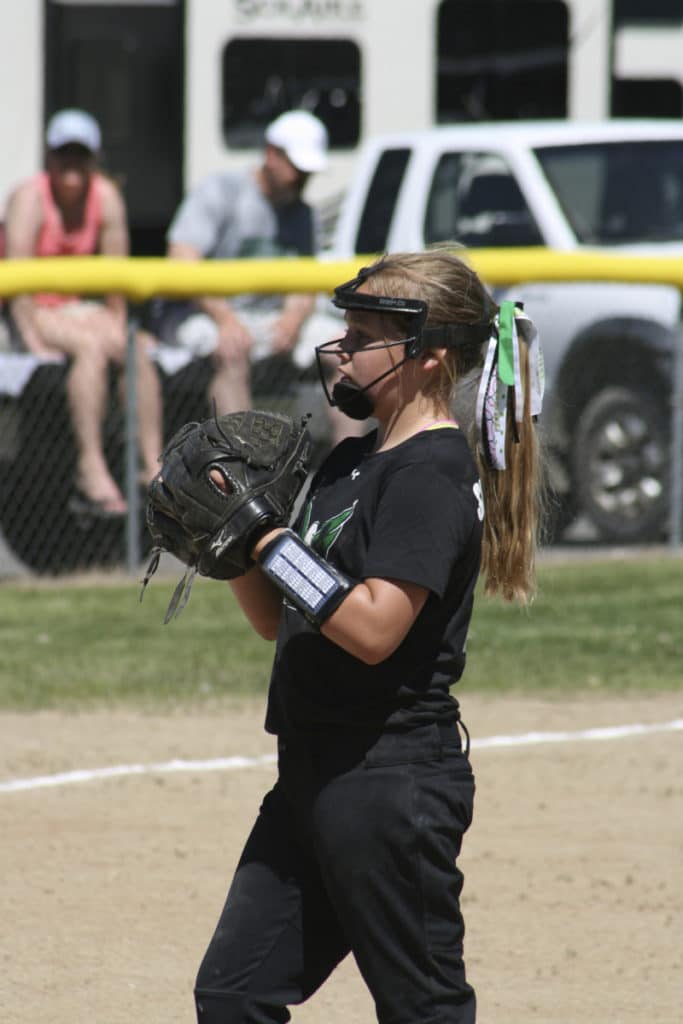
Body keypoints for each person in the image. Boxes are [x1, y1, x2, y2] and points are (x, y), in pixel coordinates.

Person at [193, 248, 545, 1023]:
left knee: (422, 1009)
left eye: (363, 336)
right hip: (309, 772)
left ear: (429, 357)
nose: (341, 350)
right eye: (345, 332)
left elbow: (377, 627)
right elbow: (277, 618)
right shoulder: (351, 461)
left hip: (388, 783)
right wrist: (229, 541)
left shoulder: (429, 474)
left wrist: (267, 542)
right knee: (234, 994)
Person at [160, 109, 359, 443]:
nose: (302, 177)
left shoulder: (303, 213)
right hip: (209, 315)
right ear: (271, 154)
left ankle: (351, 460)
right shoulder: (221, 190)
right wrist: (226, 319)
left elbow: (305, 280)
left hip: (271, 319)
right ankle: (244, 462)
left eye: (308, 171)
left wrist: (293, 318)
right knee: (232, 347)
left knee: (346, 348)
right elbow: (181, 260)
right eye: (297, 167)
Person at [4, 107, 163, 515]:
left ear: (94, 158)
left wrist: (119, 326)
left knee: (132, 349)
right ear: (49, 156)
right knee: (89, 348)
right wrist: (32, 340)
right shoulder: (29, 197)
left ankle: (152, 467)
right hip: (32, 309)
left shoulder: (105, 196)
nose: (71, 163)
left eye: (80, 154)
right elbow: (17, 284)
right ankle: (90, 468)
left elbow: (115, 279)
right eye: (64, 153)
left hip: (77, 308)